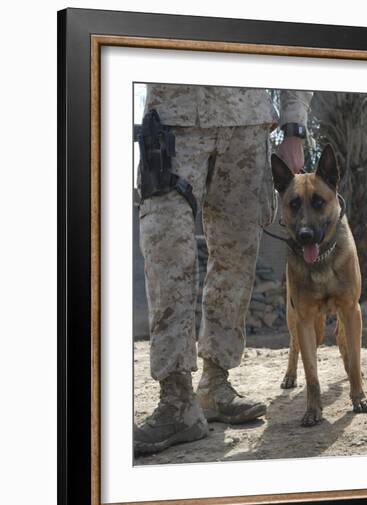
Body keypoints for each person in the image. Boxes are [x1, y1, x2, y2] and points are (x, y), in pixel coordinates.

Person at [134, 85, 313, 455]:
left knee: (237, 257)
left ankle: (215, 384)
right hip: (174, 119)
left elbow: (289, 38)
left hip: (247, 123)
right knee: (166, 249)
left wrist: (294, 125)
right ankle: (177, 398)